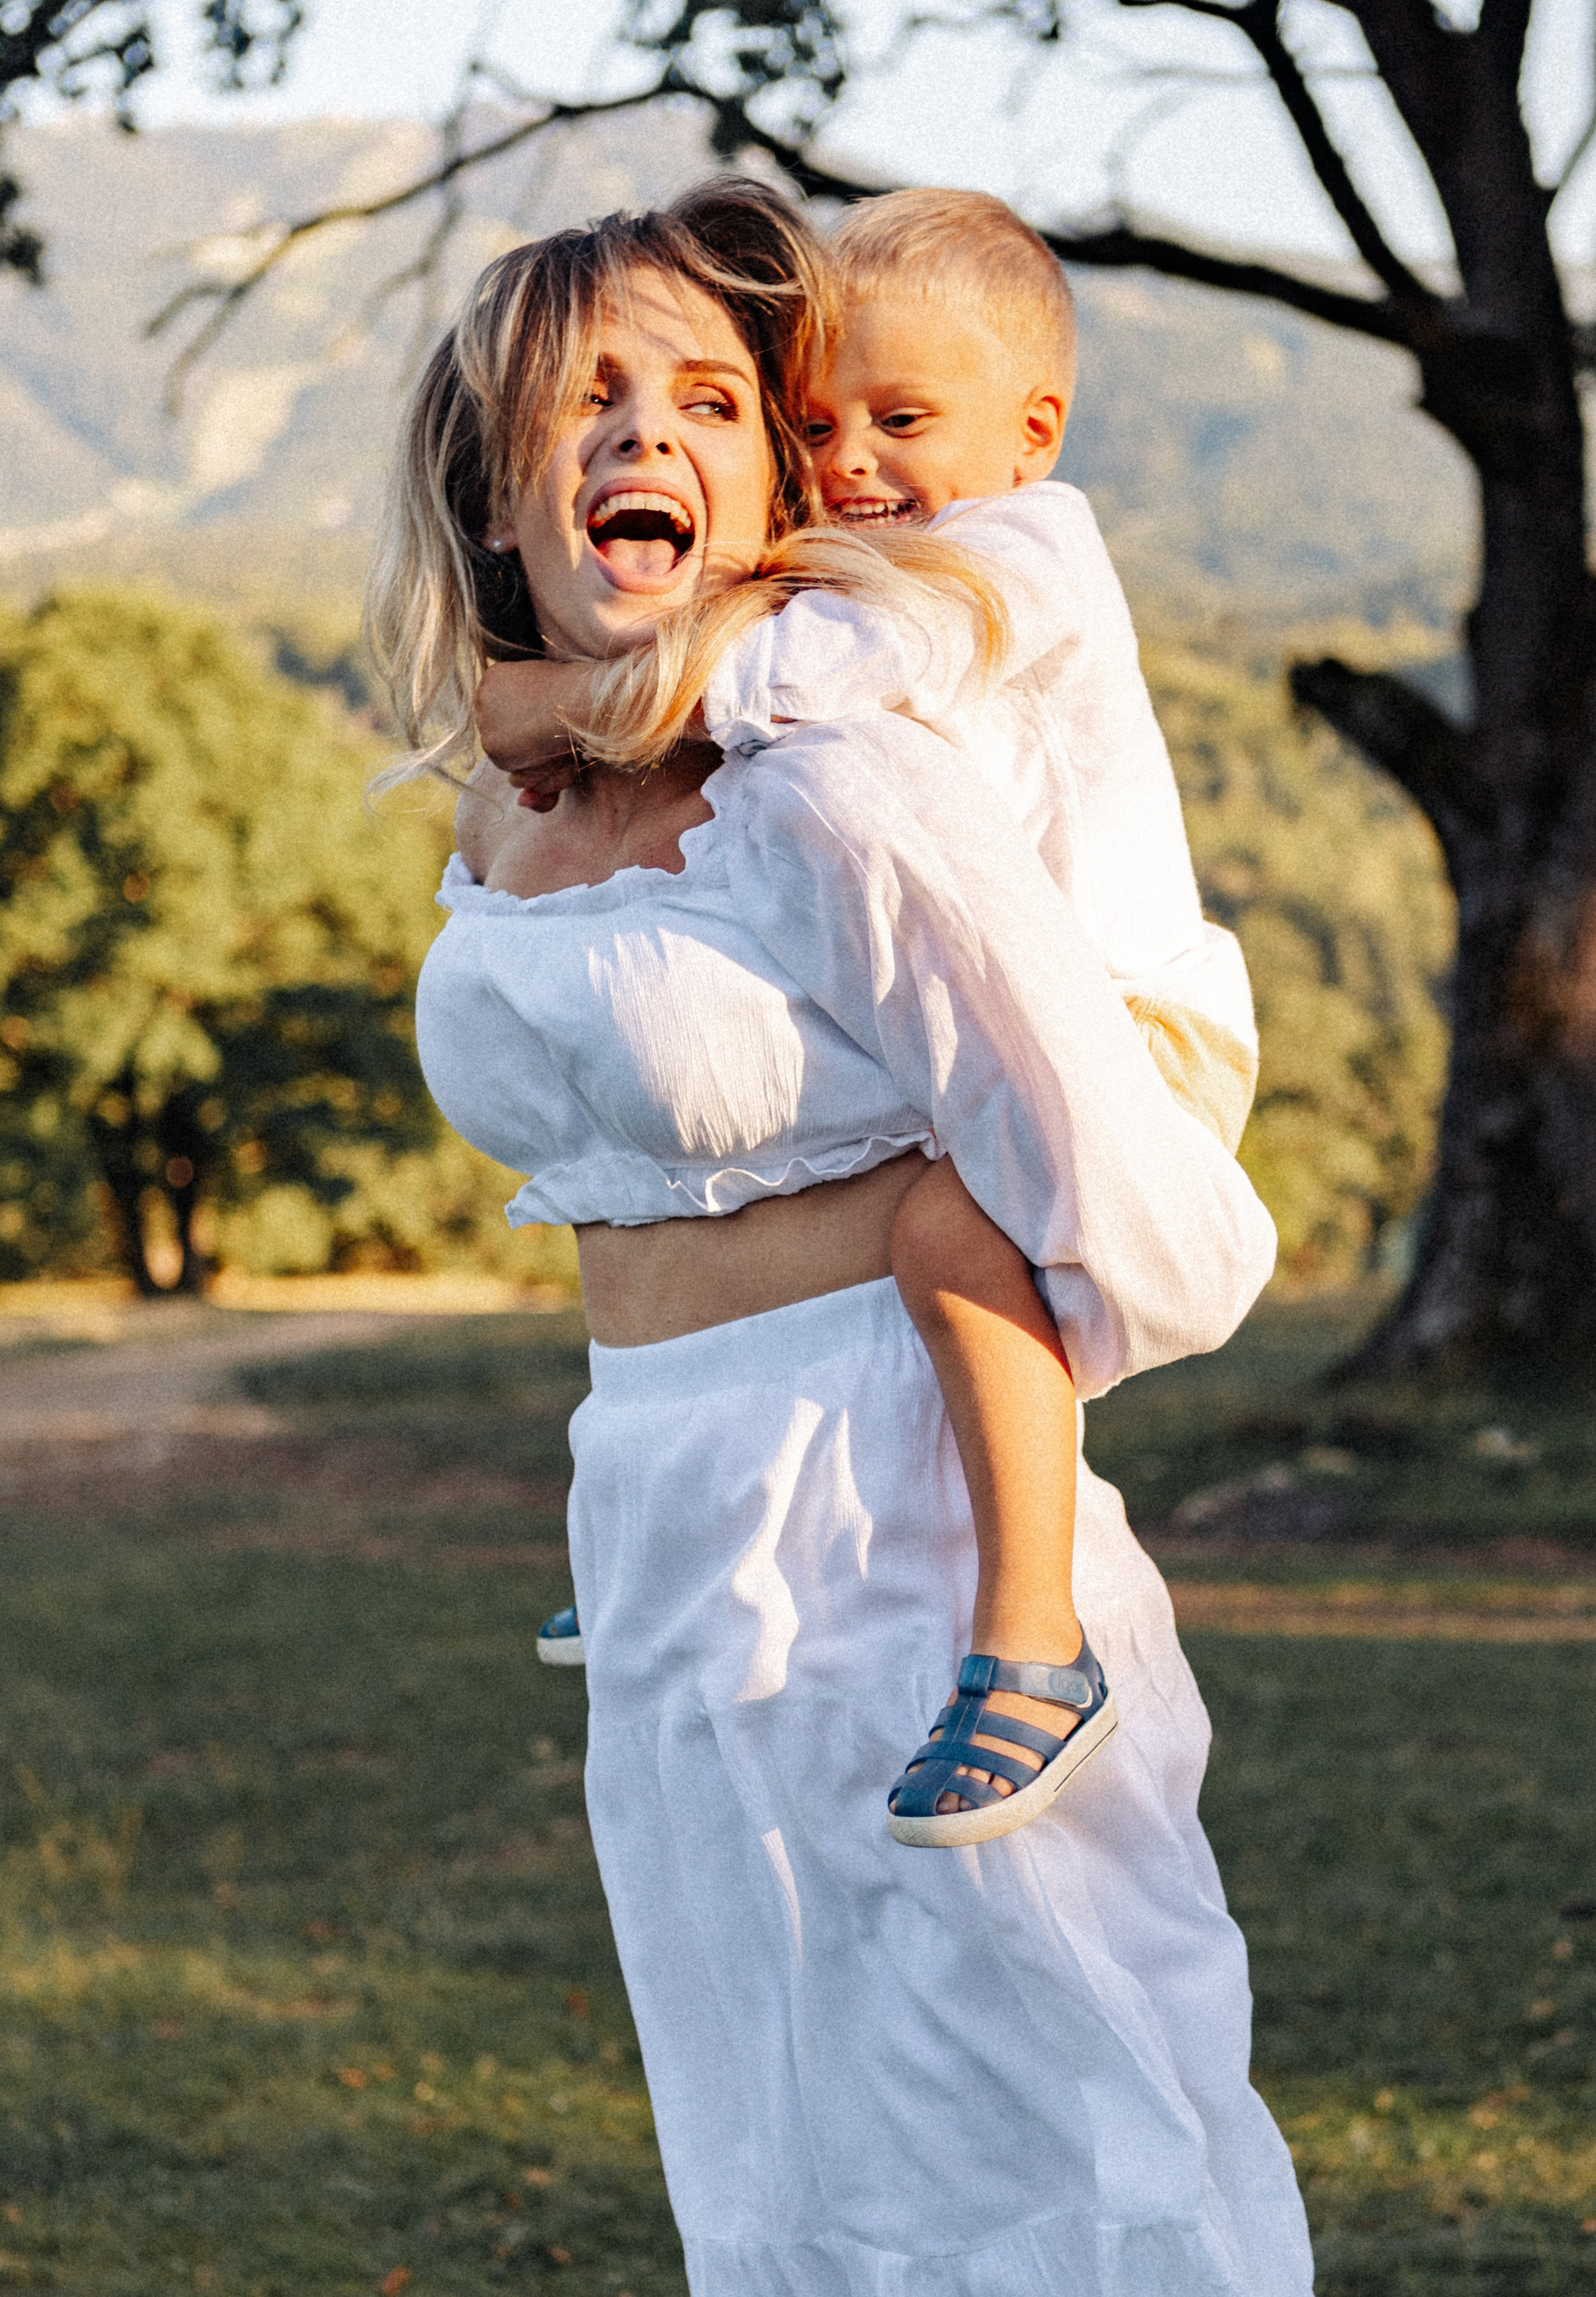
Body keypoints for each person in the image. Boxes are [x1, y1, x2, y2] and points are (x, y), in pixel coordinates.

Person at [368, 178, 1314, 2294]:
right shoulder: (508, 807)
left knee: (1036, 2134)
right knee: (777, 2149)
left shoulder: (835, 782)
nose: (648, 434)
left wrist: (976, 1289)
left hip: (898, 1516)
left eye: (712, 399)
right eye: (586, 394)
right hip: (657, 1530)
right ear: (490, 472)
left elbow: (1153, 1202)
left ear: (763, 485)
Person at [472, 187, 1257, 1845]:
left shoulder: (1017, 557)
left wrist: (553, 693)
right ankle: (681, 1546)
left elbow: (790, 677)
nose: (851, 464)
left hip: (1141, 1025)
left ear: (1029, 434)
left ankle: (1031, 1637)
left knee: (951, 1241)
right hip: (1031, 1008)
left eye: (905, 420)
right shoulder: (881, 574)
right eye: (818, 421)